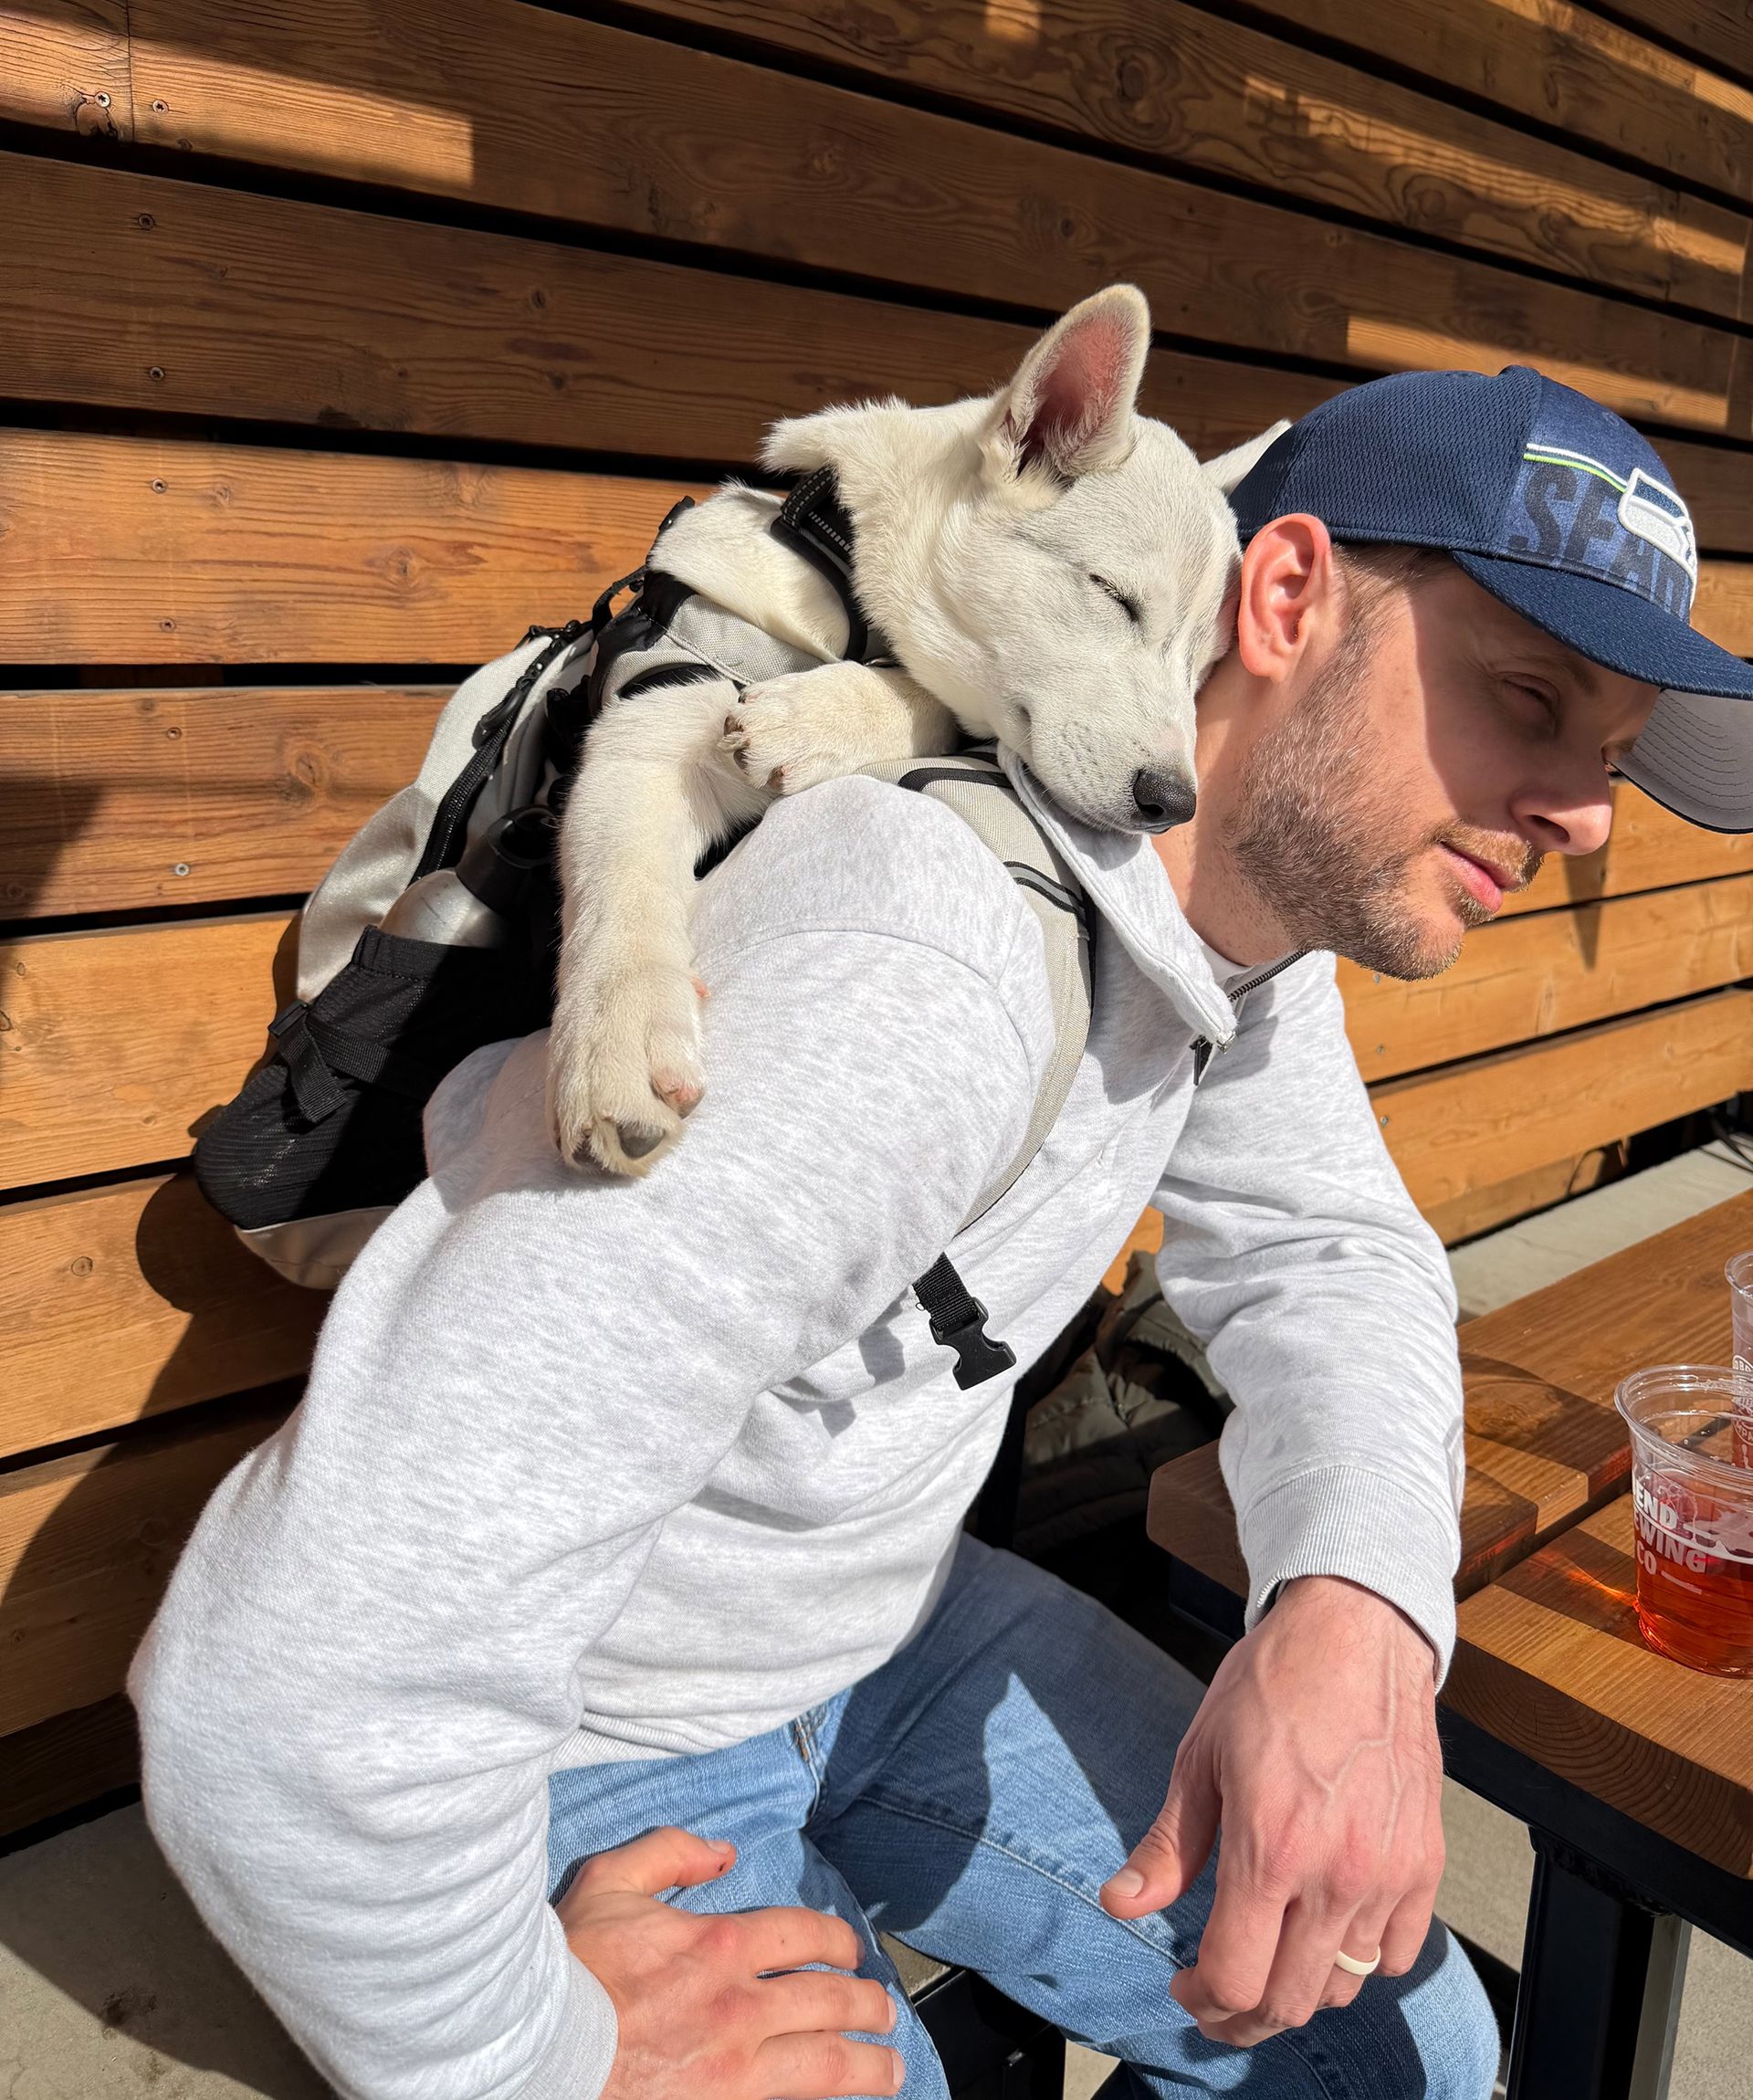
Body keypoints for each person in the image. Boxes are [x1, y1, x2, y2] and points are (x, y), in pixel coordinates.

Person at [131, 365, 1751, 2100]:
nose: (1587, 814)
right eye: (1527, 698)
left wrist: (1357, 1610)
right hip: (587, 1727)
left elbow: (1327, 1254)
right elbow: (287, 1690)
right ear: (1283, 598)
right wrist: (534, 2055)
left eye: (1609, 756)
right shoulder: (912, 969)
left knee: (1404, 2045)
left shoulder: (1236, 924)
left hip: (871, 1628)